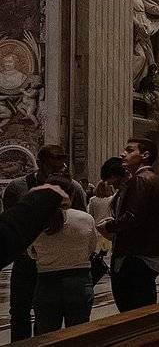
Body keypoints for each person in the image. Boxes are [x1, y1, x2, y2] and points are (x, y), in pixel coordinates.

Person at [2, 144, 87, 340]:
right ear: (39, 164)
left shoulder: (73, 187)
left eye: (62, 167)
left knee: (48, 316)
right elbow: (10, 224)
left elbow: (81, 221)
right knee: (20, 311)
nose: (59, 171)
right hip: (26, 261)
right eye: (53, 167)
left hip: (55, 264)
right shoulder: (18, 187)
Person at [100, 137, 159, 312]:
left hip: (134, 257)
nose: (123, 154)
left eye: (130, 150)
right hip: (147, 254)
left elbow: (132, 217)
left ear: (145, 155)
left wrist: (108, 227)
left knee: (131, 311)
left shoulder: (141, 180)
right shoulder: (155, 180)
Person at [30, 200, 97, 333]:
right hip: (79, 281)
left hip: (47, 281)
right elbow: (92, 248)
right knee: (78, 334)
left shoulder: (35, 221)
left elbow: (32, 253)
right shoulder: (85, 218)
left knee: (47, 336)